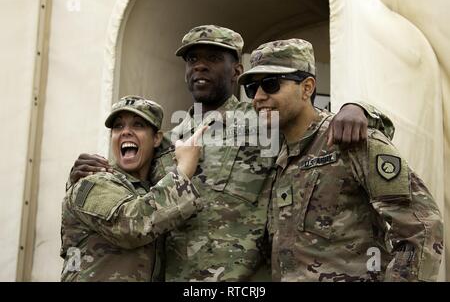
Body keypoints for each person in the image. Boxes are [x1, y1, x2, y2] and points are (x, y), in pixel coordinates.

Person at [68, 25, 395, 281]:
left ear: (237, 70)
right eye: (192, 59)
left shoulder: (265, 121)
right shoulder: (168, 141)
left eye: (212, 58)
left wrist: (360, 109)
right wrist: (87, 172)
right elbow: (133, 199)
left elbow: (323, 129)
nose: (200, 67)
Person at [238, 38, 443, 281]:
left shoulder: (351, 141)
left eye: (271, 85)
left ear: (307, 88)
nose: (258, 97)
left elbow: (421, 227)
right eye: (252, 88)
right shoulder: (282, 157)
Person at [61, 95, 205, 281]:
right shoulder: (92, 181)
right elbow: (131, 226)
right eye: (118, 126)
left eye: (138, 125)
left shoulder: (152, 189)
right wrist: (184, 170)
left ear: (157, 139)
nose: (125, 132)